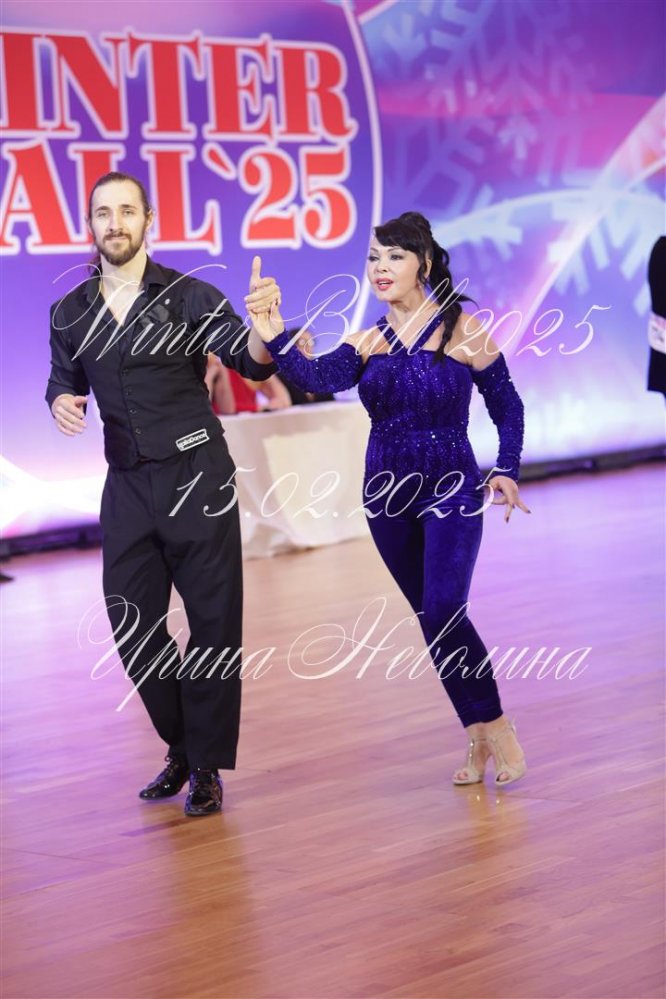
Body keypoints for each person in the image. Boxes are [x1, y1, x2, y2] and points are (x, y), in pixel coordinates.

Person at [250, 211, 530, 787]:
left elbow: (507, 404)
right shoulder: (366, 342)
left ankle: (498, 726)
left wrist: (506, 466)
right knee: (432, 620)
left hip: (451, 487)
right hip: (385, 496)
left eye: (394, 256)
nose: (380, 268)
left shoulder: (462, 330)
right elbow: (313, 376)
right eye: (373, 258)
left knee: (445, 609)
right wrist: (273, 331)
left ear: (423, 263)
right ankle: (476, 734)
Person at [46, 171, 282, 816]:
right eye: (103, 213)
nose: (115, 223)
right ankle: (183, 743)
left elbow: (250, 362)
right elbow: (63, 381)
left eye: (127, 211)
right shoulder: (70, 311)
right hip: (126, 483)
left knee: (212, 624)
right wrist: (61, 401)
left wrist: (264, 330)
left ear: (148, 220)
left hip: (197, 475)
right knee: (131, 624)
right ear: (90, 225)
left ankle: (204, 766)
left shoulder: (189, 295)